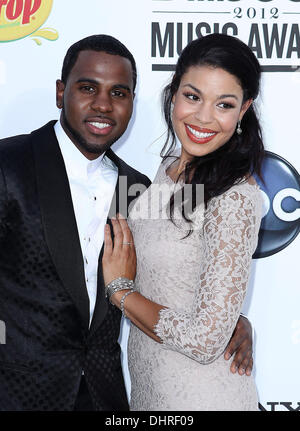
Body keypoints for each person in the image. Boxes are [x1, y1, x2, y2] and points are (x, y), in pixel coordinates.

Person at [0, 34, 253, 411]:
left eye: (119, 93)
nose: (102, 105)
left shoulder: (134, 186)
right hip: (19, 393)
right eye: (87, 88)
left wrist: (229, 316)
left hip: (109, 395)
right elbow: (177, 248)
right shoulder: (10, 165)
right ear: (60, 92)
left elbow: (196, 253)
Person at [102, 34, 264, 411]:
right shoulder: (167, 172)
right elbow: (181, 264)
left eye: (224, 104)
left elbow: (206, 341)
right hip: (149, 395)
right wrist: (230, 315)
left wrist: (120, 292)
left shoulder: (235, 197)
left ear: (243, 110)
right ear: (173, 93)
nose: (204, 117)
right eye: (193, 96)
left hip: (205, 397)